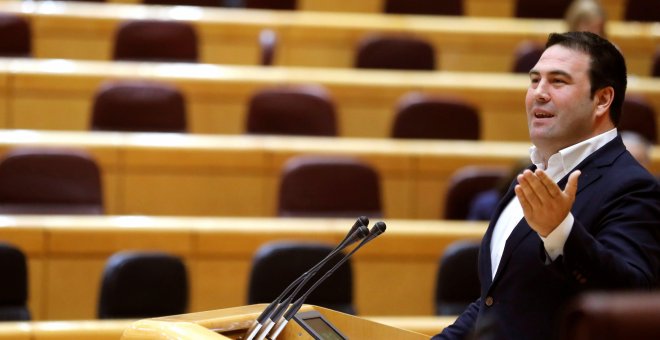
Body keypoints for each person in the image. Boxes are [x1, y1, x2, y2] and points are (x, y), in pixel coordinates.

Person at [433, 31, 660, 340]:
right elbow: (497, 305)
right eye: (534, 79)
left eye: (558, 81)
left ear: (602, 99)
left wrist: (561, 233)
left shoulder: (634, 186)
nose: (539, 93)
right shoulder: (533, 177)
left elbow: (631, 298)